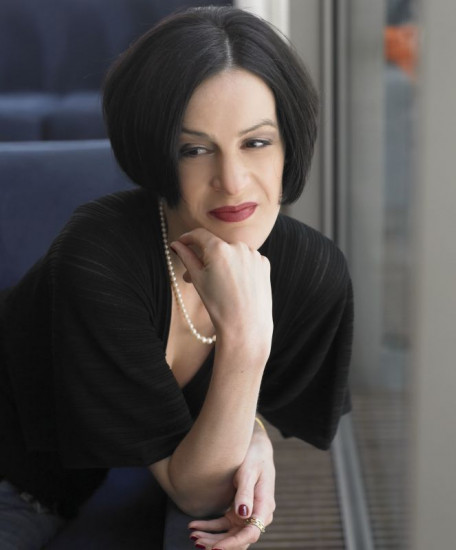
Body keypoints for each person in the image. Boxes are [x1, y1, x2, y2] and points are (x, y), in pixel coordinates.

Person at [0, 6, 353, 550]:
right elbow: (196, 490)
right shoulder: (98, 255)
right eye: (195, 150)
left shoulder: (312, 272)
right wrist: (246, 339)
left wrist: (254, 433)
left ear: (290, 145)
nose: (232, 181)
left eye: (256, 142)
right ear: (157, 155)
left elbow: (201, 466)